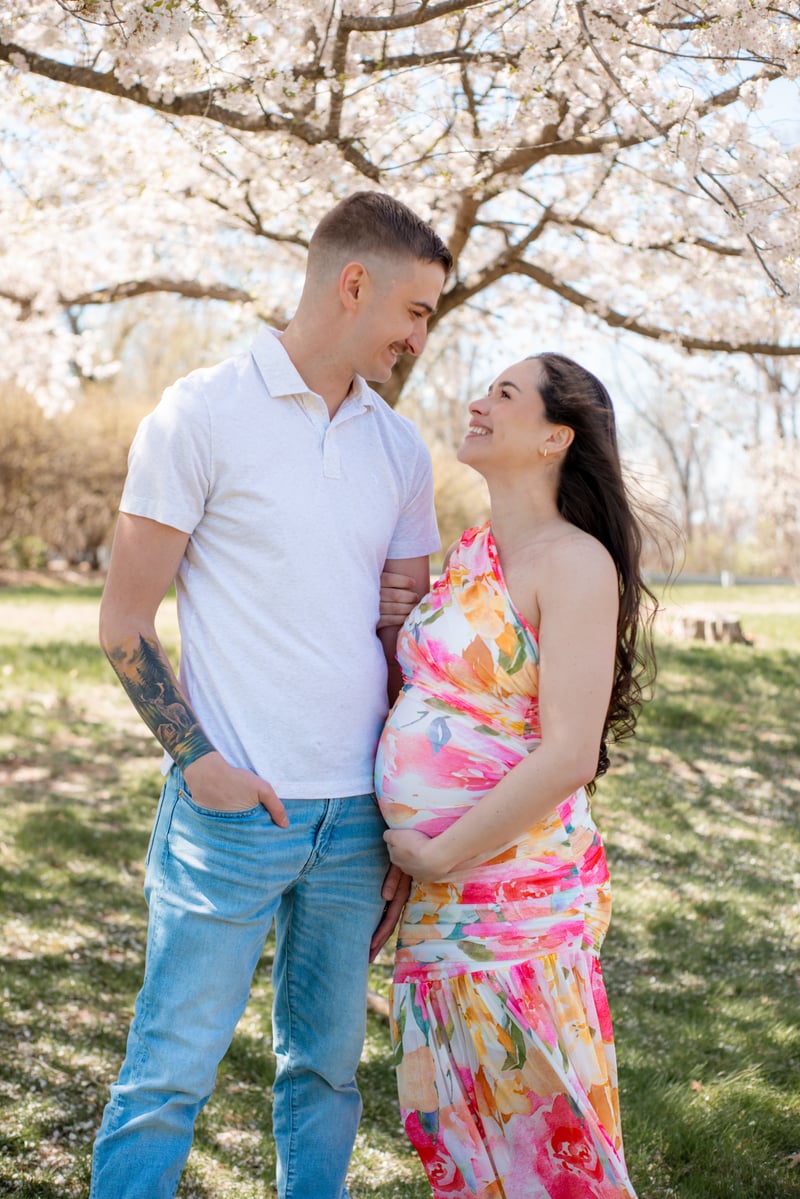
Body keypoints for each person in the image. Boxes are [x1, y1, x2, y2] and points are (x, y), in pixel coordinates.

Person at [90, 190, 452, 1199]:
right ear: (352, 285)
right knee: (168, 1076)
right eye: (414, 310)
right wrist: (198, 764)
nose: (418, 336)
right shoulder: (201, 412)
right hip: (229, 812)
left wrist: (395, 810)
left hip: (352, 827)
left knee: (326, 1073)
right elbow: (123, 622)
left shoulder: (399, 450)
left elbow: (400, 641)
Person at [375, 352, 656, 1198]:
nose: (478, 402)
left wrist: (441, 851)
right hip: (439, 899)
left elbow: (570, 752)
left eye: (505, 393)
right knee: (464, 1148)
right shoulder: (469, 553)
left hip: (513, 902)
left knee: (550, 1153)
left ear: (554, 438)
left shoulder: (575, 562)